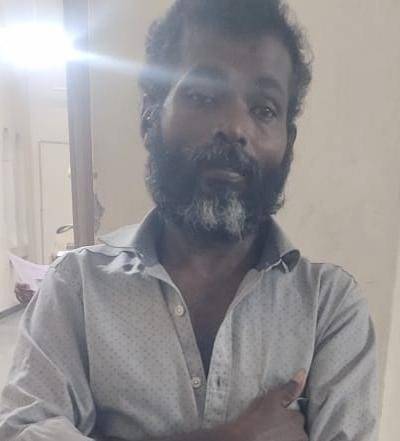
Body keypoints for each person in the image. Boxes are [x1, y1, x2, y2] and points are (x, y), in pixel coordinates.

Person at [0, 1, 378, 440]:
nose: (235, 127)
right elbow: (23, 432)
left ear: (288, 144)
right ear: (150, 116)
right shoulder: (78, 288)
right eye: (203, 96)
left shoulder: (329, 311)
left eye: (264, 109)